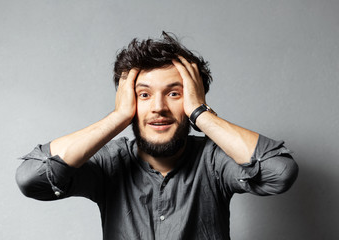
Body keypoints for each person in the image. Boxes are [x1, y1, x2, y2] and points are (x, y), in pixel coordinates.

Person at [16, 32, 298, 240]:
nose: (159, 108)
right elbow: (32, 178)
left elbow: (280, 172)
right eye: (144, 95)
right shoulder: (109, 163)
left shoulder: (213, 161)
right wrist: (117, 118)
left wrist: (201, 112)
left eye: (174, 94)